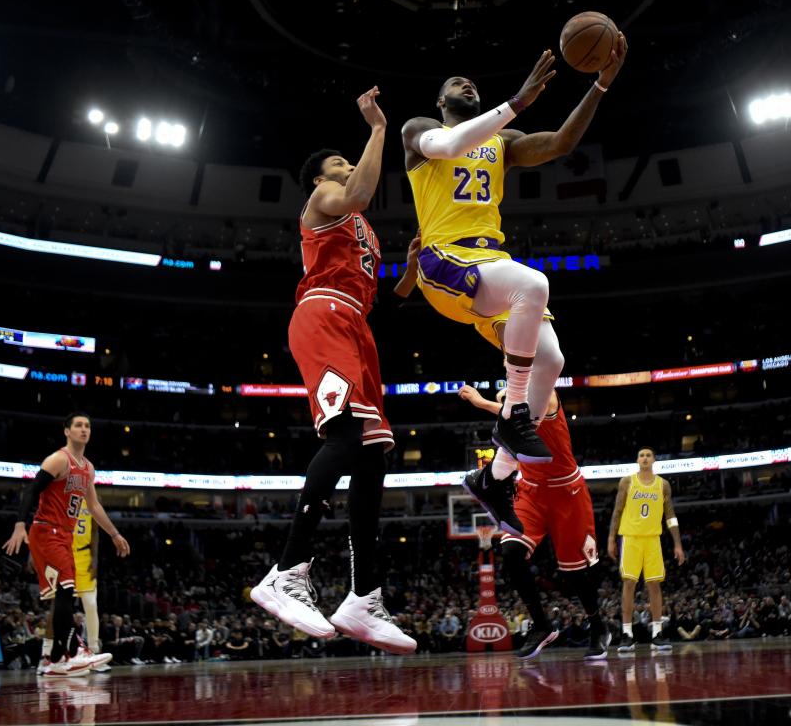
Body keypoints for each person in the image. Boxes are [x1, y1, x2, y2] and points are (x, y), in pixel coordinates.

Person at [399, 42, 627, 533]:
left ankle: (496, 474)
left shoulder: (503, 141)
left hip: (490, 268)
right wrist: (517, 101)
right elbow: (451, 147)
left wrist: (601, 83)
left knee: (552, 360)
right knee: (534, 283)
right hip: (446, 261)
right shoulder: (420, 130)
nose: (467, 85)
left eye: (471, 83)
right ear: (441, 101)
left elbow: (563, 142)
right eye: (455, 83)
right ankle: (515, 412)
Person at [250, 87, 415, 655]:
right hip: (322, 316)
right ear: (320, 179)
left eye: (347, 162)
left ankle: (362, 597)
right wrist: (375, 130)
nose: (346, 169)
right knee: (345, 437)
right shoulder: (326, 197)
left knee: (373, 457)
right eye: (338, 164)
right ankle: (287, 571)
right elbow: (361, 188)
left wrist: (412, 271)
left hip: (356, 326)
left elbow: (382, 299)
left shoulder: (364, 231)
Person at [458, 385, 605, 660]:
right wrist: (487, 402)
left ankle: (597, 625)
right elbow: (510, 411)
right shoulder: (515, 391)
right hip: (530, 490)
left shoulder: (545, 392)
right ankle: (541, 625)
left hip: (567, 493)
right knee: (511, 554)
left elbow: (519, 409)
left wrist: (484, 402)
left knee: (575, 573)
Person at [2, 412, 127, 677]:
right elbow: (31, 491)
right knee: (67, 591)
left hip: (64, 536)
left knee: (63, 594)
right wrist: (19, 525)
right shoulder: (59, 459)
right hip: (47, 531)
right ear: (67, 431)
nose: (84, 429)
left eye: (88, 425)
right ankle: (74, 650)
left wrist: (114, 534)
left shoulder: (88, 468)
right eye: (78, 425)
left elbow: (93, 506)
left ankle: (55, 659)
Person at [608, 447, 686, 654]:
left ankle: (657, 634)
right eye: (641, 455)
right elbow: (617, 510)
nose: (644, 458)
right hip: (631, 538)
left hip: (653, 539)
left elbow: (670, 515)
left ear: (654, 460)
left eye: (648, 455)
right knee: (629, 584)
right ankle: (627, 634)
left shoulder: (663, 485)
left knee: (654, 585)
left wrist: (677, 543)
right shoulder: (627, 481)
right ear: (637, 460)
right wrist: (611, 538)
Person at [71, 498, 110, 672]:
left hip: (84, 556)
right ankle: (59, 654)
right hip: (64, 555)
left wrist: (94, 560)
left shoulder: (93, 500)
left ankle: (94, 651)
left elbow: (95, 531)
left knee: (91, 605)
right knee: (61, 607)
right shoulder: (64, 495)